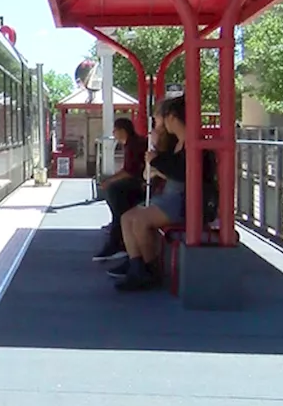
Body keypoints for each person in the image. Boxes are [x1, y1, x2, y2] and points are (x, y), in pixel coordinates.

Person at [109, 95, 217, 291]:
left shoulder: (195, 145)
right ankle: (137, 266)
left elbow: (186, 174)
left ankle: (150, 270)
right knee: (127, 218)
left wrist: (157, 162)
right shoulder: (180, 143)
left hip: (185, 203)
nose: (163, 122)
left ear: (173, 117)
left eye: (164, 117)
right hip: (173, 198)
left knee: (140, 221)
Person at [92, 118, 148, 262]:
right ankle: (118, 234)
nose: (113, 133)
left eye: (115, 130)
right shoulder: (133, 144)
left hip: (140, 185)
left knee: (115, 192)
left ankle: (117, 240)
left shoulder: (133, 146)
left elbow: (129, 172)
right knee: (114, 190)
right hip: (141, 182)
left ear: (123, 131)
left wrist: (109, 181)